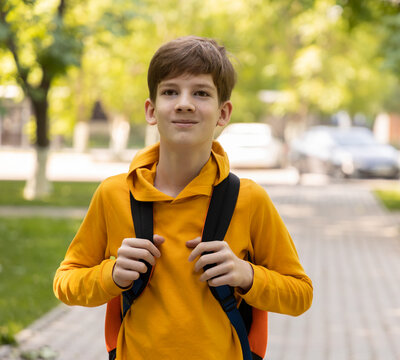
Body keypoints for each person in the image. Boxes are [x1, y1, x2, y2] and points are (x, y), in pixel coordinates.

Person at [53, 36, 313, 359]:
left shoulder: (249, 200)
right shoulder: (113, 194)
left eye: (201, 93)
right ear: (151, 110)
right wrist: (112, 274)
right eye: (170, 91)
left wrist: (247, 275)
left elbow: (301, 294)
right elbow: (65, 282)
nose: (184, 103)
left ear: (223, 113)